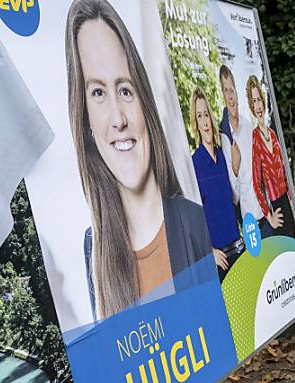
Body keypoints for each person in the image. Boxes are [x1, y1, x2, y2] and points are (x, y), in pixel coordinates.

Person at [66, 0, 213, 321]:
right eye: (98, 93)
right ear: (85, 120)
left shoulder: (195, 223)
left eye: (125, 90)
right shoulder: (94, 249)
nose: (118, 119)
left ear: (144, 101)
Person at [190, 87, 243, 281]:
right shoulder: (194, 164)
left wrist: (235, 169)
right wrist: (209, 251)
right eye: (199, 116)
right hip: (220, 260)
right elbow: (193, 219)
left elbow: (234, 199)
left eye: (206, 114)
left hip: (239, 249)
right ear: (195, 123)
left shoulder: (222, 156)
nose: (204, 121)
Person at [217, 65, 266, 239]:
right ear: (223, 96)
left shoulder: (248, 125)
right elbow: (234, 196)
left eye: (231, 89)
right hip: (249, 220)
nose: (230, 96)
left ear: (237, 92)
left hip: (266, 211)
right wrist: (235, 169)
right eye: (225, 91)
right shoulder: (224, 138)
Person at [247, 76, 295, 239]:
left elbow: (284, 172)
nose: (258, 105)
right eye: (254, 101)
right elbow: (256, 184)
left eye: (259, 99)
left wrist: (293, 207)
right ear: (251, 106)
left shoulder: (274, 135)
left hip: (288, 205)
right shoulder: (255, 138)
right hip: (277, 208)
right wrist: (269, 217)